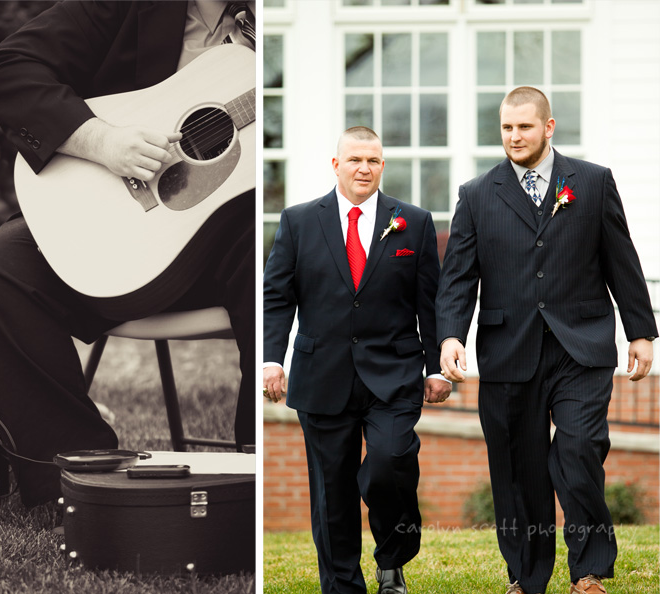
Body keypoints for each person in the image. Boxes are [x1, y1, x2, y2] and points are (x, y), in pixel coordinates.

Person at [0, 0, 255, 508]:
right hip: (124, 228)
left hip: (237, 246)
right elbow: (9, 71)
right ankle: (73, 485)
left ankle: (250, 482)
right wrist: (105, 141)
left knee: (280, 249)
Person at [436, 86, 656, 594]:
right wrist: (449, 335)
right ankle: (526, 577)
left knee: (578, 450)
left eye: (525, 127)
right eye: (507, 128)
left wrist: (640, 331)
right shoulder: (476, 194)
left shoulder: (594, 183)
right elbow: (458, 278)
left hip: (581, 346)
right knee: (518, 469)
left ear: (549, 127)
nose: (514, 137)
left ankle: (590, 570)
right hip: (507, 350)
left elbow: (621, 259)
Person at [263, 126, 452, 594]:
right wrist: (271, 359)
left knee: (389, 463)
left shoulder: (414, 222)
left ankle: (392, 561)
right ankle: (343, 585)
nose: (364, 168)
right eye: (354, 160)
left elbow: (430, 302)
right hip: (321, 375)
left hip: (394, 375)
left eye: (373, 161)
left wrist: (434, 366)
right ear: (336, 165)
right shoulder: (298, 221)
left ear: (382, 166)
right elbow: (276, 297)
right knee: (332, 492)